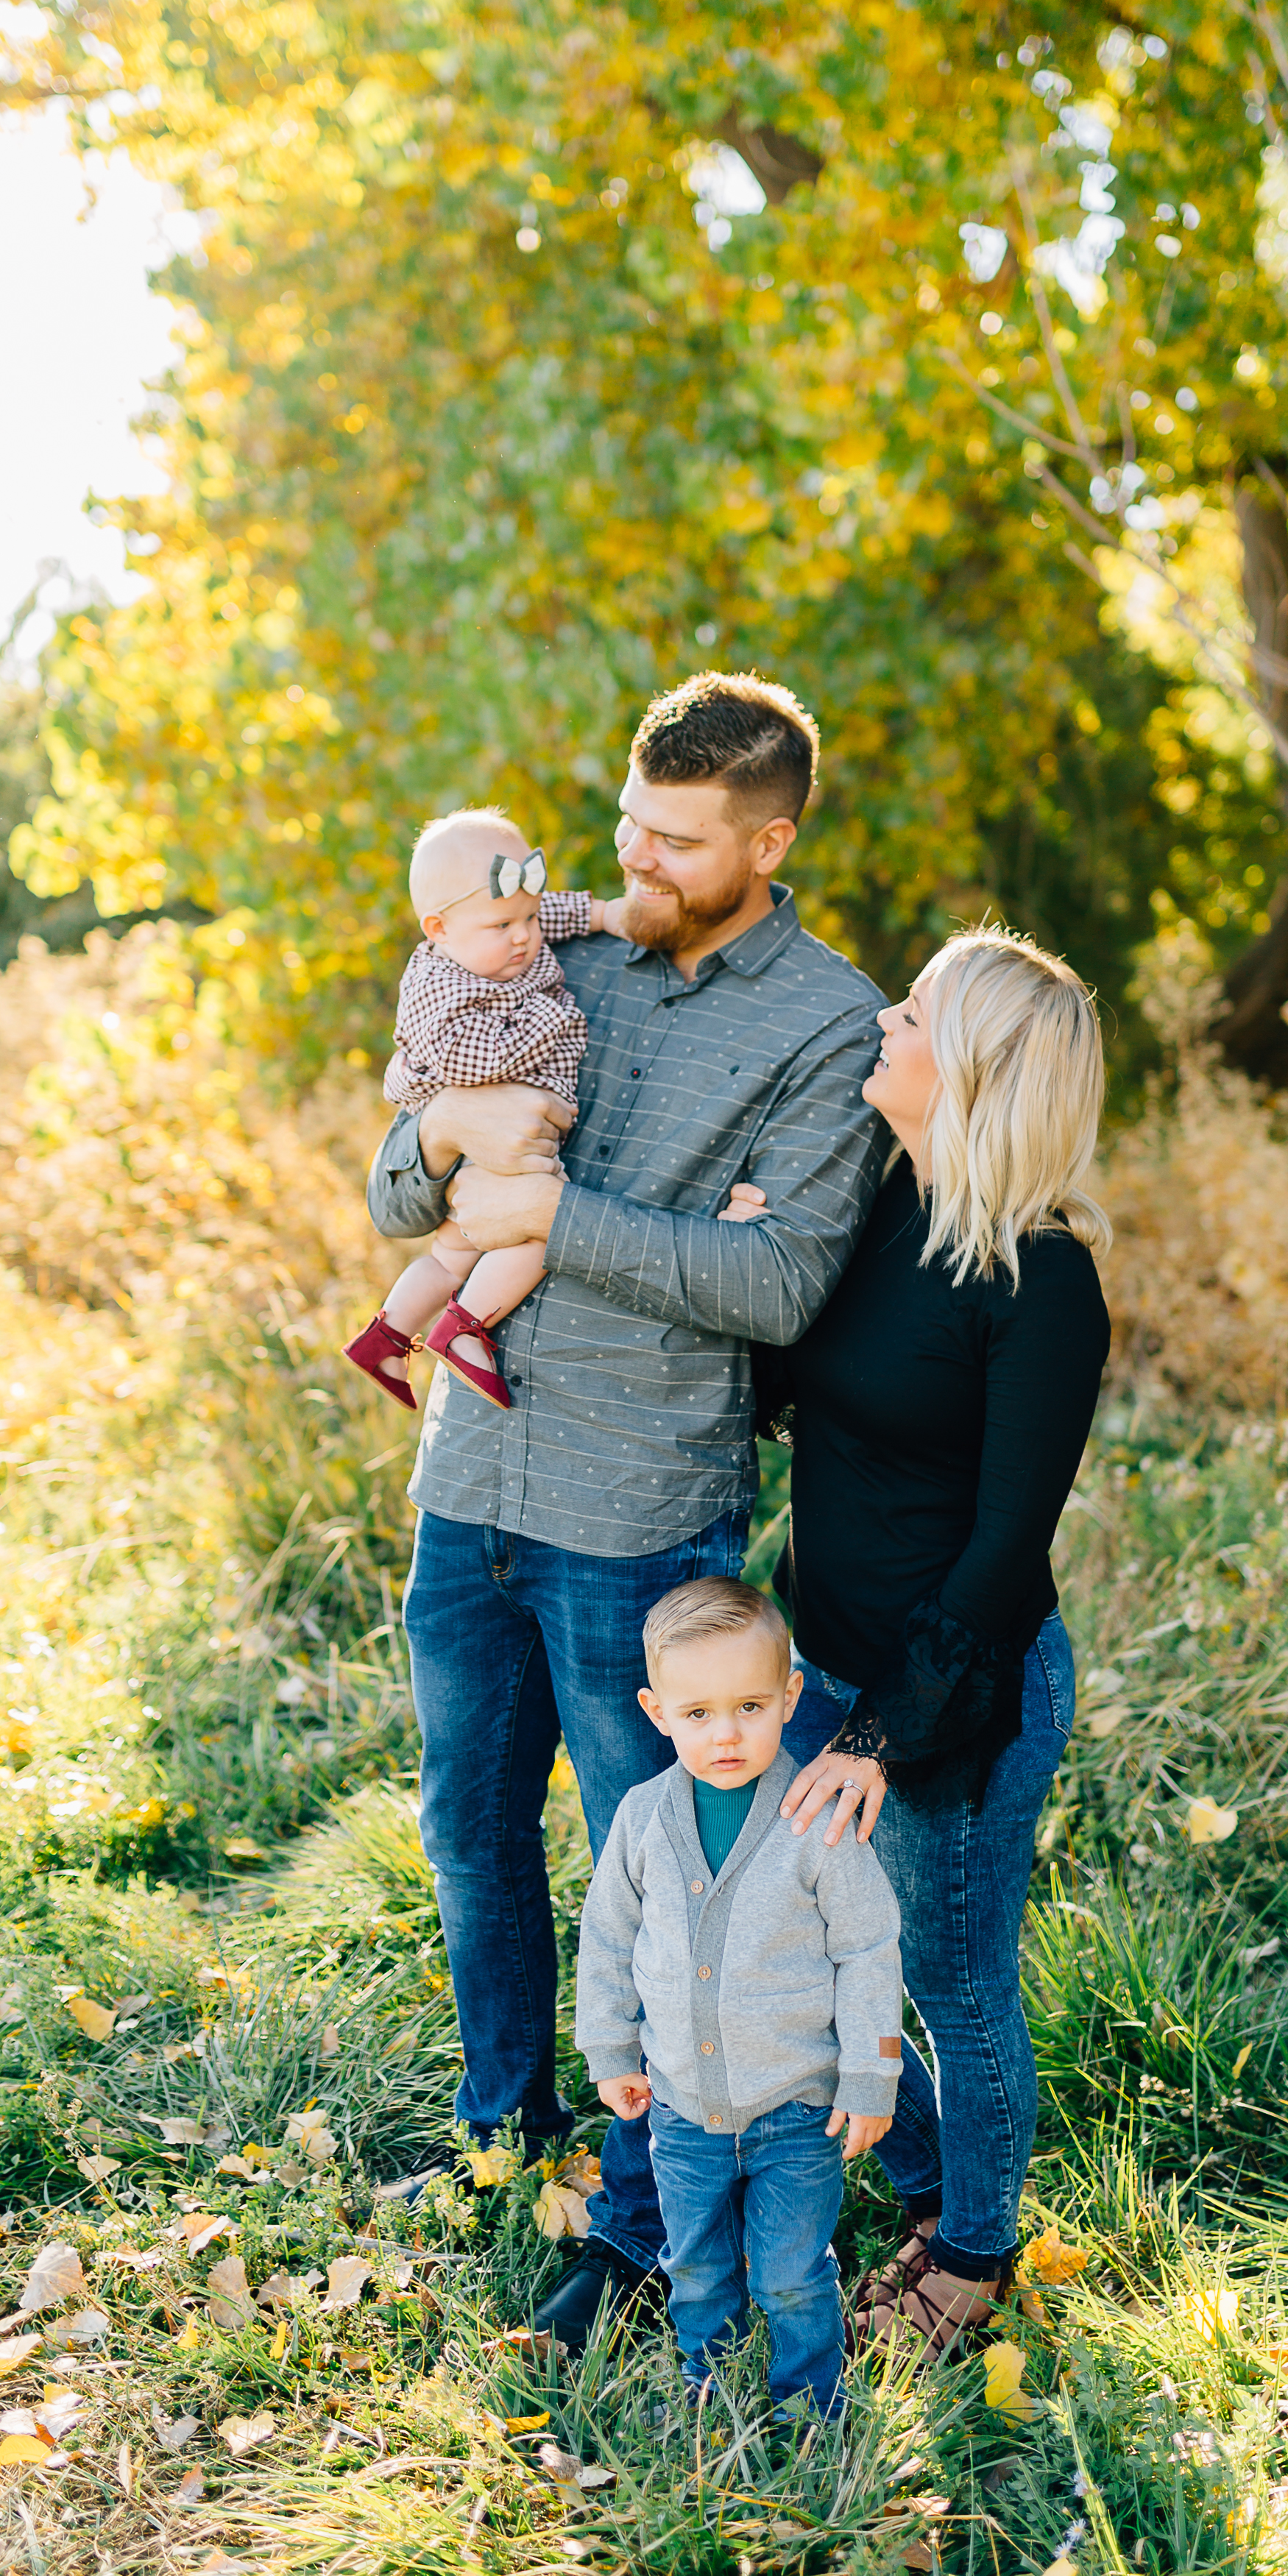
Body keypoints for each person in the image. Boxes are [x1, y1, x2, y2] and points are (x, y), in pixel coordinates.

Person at [365, 672, 887, 2349]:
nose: (631, 866)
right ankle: (505, 2134)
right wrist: (445, 1125)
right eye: (624, 829)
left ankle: (651, 2219)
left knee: (660, 1874)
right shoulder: (551, 945)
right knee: (467, 1831)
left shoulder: (823, 1021)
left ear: (769, 836)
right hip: (471, 1480)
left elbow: (783, 1279)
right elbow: (393, 1172)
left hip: (639, 1512)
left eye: (676, 842)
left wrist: (557, 1211)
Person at [761, 925, 1111, 2354]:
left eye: (907, 1014)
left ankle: (972, 2253)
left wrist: (873, 1735)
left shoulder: (1046, 1281)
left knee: (952, 1982)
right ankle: (924, 2185)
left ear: (967, 1066)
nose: (879, 1028)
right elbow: (797, 1383)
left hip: (952, 1697)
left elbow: (998, 1555)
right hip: (824, 1660)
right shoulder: (883, 1212)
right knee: (808, 1941)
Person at [575, 1577, 900, 2420]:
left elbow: (867, 1949)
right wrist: (611, 2050)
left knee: (792, 2270)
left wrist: (871, 2078)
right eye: (699, 1714)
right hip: (680, 2105)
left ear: (792, 1696)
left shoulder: (818, 1821)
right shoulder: (643, 1819)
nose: (726, 1734)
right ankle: (707, 2383)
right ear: (657, 1711)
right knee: (697, 2262)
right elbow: (608, 1938)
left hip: (796, 2105)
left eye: (751, 1706)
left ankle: (809, 2403)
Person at [342, 809, 631, 1411]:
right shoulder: (441, 984)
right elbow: (470, 1065)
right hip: (493, 1137)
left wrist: (603, 914)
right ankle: (464, 1327)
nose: (524, 936)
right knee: (540, 1230)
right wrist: (553, 1017)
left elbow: (547, 911)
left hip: (499, 1137)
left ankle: (387, 1336)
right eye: (503, 923)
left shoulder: (500, 936)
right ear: (438, 928)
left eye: (528, 916)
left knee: (452, 1252)